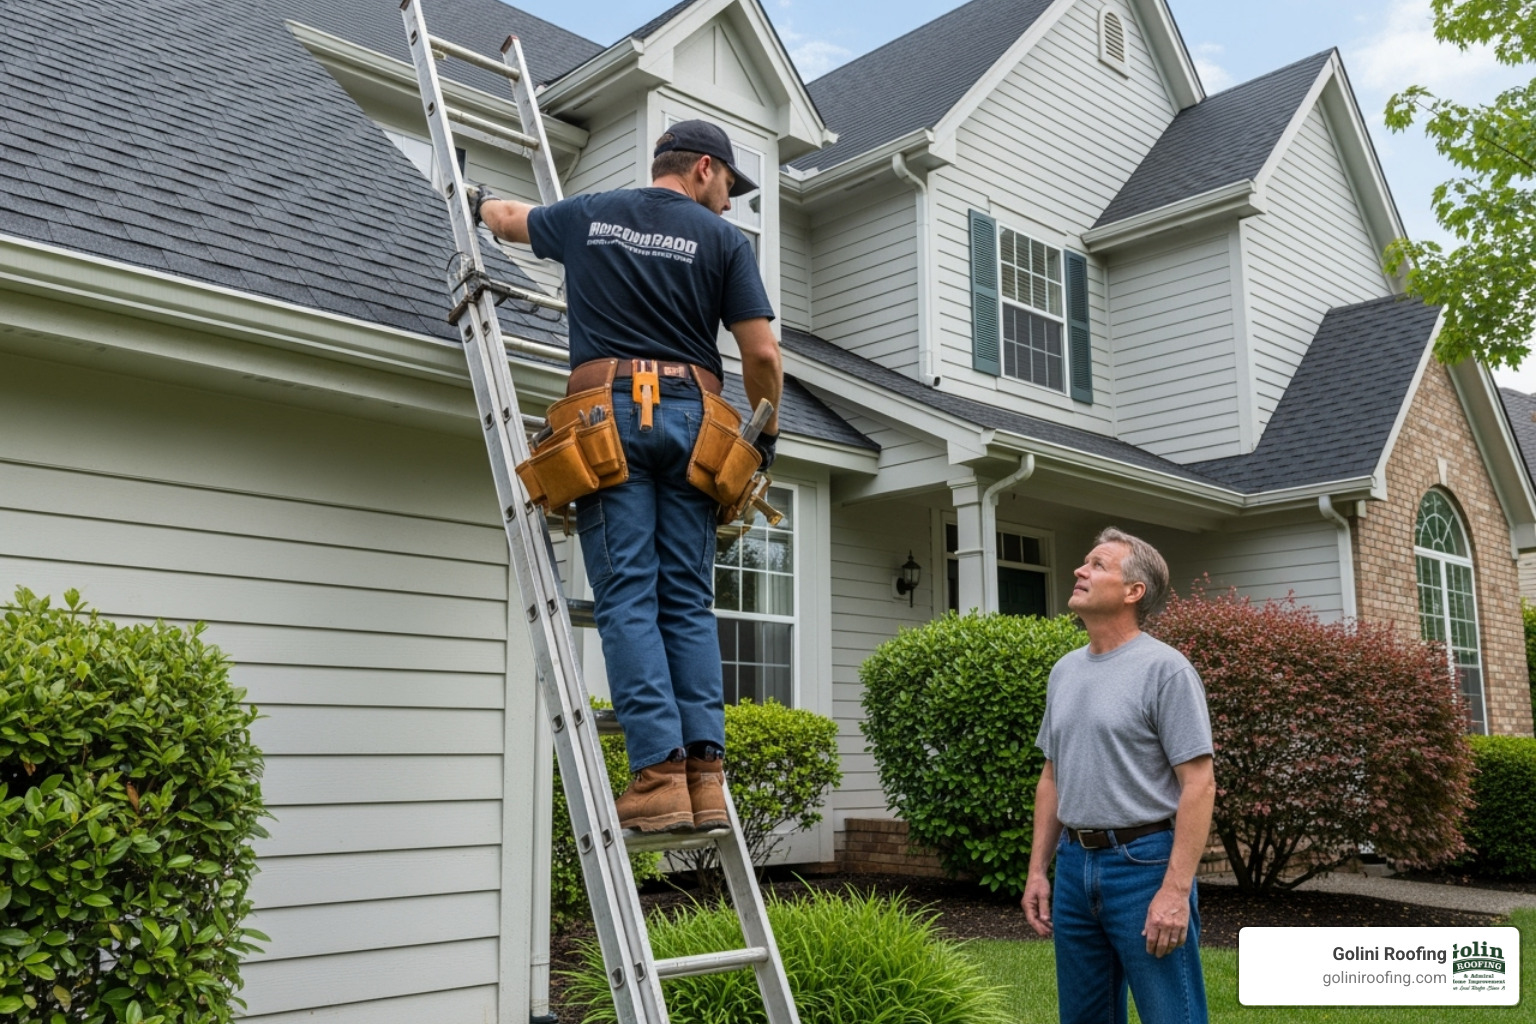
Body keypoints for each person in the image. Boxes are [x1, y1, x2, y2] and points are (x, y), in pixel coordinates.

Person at [471, 120, 783, 834]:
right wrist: (764, 436)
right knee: (686, 600)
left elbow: (511, 219)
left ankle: (660, 779)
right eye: (728, 186)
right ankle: (705, 777)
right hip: (695, 418)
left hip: (606, 414)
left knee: (627, 596)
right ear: (703, 169)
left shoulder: (589, 213)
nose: (729, 202)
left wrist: (479, 199)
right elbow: (763, 353)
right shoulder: (723, 242)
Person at [1021, 527, 1217, 1024]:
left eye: (1098, 565)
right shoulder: (1064, 671)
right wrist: (1038, 870)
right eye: (1085, 562)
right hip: (1074, 866)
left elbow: (1199, 784)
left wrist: (1175, 891)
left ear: (1134, 591)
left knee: (1172, 1016)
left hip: (1144, 866)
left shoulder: (1166, 670)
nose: (1080, 570)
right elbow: (1052, 776)